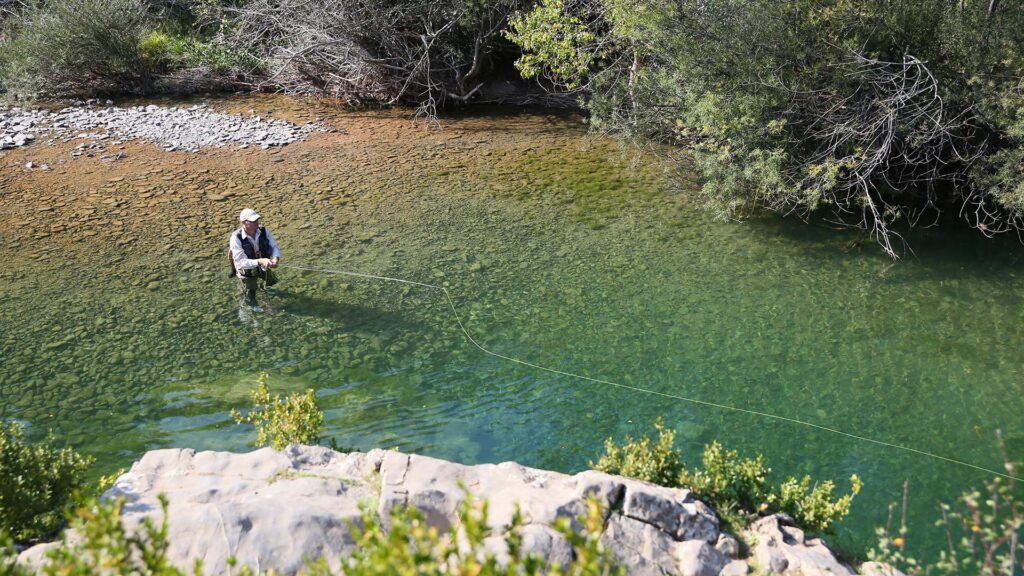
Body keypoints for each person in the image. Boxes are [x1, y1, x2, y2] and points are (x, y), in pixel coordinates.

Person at [229, 208, 281, 309]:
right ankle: (252, 308)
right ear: (244, 222)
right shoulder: (235, 238)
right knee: (250, 292)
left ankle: (265, 290)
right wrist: (261, 261)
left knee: (273, 281)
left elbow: (274, 247)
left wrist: (275, 258)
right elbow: (241, 262)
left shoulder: (263, 230)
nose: (257, 222)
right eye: (253, 221)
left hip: (264, 266)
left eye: (257, 220)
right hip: (247, 271)